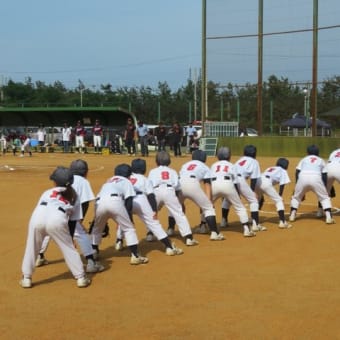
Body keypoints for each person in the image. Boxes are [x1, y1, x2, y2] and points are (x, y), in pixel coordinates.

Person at [20, 166, 91, 288]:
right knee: (69, 249)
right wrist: (70, 239)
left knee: (32, 247)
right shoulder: (74, 196)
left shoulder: (46, 193)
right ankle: (80, 278)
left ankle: (26, 278)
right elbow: (73, 222)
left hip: (37, 218)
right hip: (57, 219)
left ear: (55, 182)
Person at [35, 160, 105, 273]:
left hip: (56, 211)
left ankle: (40, 256)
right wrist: (80, 219)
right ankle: (91, 263)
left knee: (48, 232)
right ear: (85, 172)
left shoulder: (67, 178)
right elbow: (85, 202)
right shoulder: (83, 181)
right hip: (71, 213)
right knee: (82, 235)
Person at [114, 158, 184, 256]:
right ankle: (169, 247)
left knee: (124, 221)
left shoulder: (126, 179)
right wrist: (154, 210)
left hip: (125, 200)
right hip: (140, 199)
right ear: (144, 169)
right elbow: (151, 196)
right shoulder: (145, 179)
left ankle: (119, 241)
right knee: (154, 223)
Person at [90, 164, 149, 265]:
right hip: (115, 201)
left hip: (99, 203)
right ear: (128, 175)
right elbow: (129, 201)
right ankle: (135, 256)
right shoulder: (126, 181)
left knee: (97, 229)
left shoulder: (108, 181)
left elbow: (98, 199)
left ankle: (94, 252)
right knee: (129, 229)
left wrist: (97, 219)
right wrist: (129, 218)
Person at [148, 151, 199, 246]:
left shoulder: (152, 171)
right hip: (169, 190)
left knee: (151, 213)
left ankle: (150, 234)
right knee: (179, 214)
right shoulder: (172, 171)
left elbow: (149, 186)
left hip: (156, 190)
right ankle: (188, 238)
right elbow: (177, 187)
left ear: (156, 161)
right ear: (169, 161)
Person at [178, 150, 225, 241]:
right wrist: (209, 201)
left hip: (179, 185)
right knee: (208, 208)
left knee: (176, 208)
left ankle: (170, 229)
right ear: (204, 158)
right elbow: (207, 185)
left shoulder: (185, 165)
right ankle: (215, 233)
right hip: (192, 184)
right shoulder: (205, 167)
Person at [210, 147, 255, 237]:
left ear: (218, 156)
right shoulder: (231, 165)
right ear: (229, 156)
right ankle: (246, 229)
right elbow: (235, 181)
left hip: (214, 185)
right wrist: (237, 194)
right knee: (239, 207)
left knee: (207, 206)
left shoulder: (213, 165)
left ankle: (204, 225)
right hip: (228, 184)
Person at [221, 144, 266, 233]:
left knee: (227, 200)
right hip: (239, 179)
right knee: (253, 200)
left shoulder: (240, 160)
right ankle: (255, 224)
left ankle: (223, 221)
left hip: (230, 179)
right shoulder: (254, 161)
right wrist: (253, 191)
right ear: (254, 153)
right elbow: (254, 178)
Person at [289, 144, 335, 224]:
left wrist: (297, 185)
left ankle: (292, 215)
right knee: (324, 198)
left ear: (307, 152)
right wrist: (324, 187)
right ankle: (328, 217)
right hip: (316, 178)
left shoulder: (303, 159)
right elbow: (324, 175)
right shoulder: (321, 160)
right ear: (318, 153)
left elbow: (297, 172)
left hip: (302, 177)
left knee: (296, 197)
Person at [255, 158, 292, 228]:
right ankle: (282, 222)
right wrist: (280, 195)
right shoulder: (283, 171)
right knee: (279, 200)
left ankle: (254, 220)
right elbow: (282, 184)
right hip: (266, 182)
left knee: (258, 200)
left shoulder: (271, 168)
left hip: (258, 181)